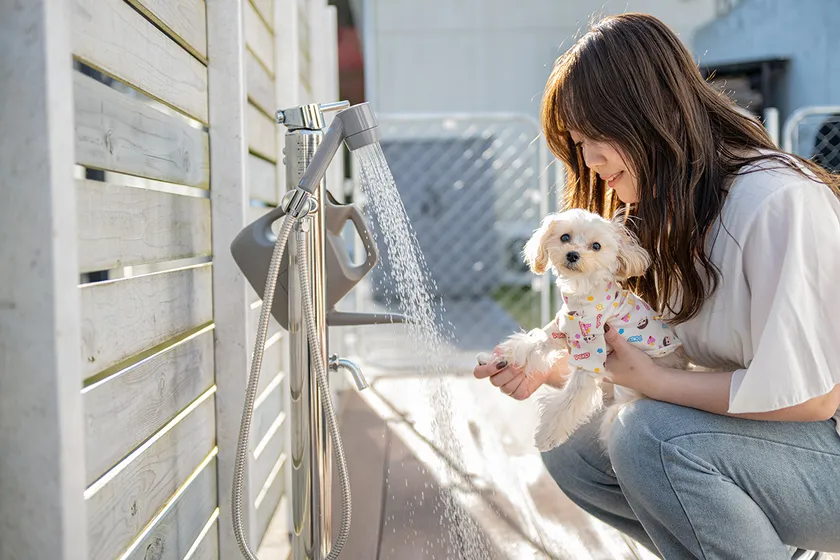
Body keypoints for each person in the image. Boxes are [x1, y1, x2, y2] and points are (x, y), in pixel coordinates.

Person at [474, 13, 840, 560]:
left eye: (597, 138)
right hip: (779, 448)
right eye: (579, 144)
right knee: (573, 444)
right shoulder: (666, 211)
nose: (592, 163)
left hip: (827, 448)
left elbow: (812, 397)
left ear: (655, 113)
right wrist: (550, 367)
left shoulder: (777, 200)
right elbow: (656, 358)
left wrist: (652, 384)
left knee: (649, 435)